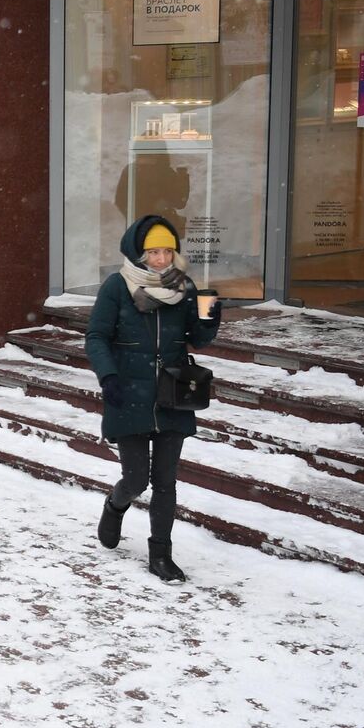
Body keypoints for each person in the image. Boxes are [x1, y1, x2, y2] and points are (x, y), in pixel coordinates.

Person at [85, 215, 221, 584]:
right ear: (138, 253)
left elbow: (199, 339)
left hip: (172, 393)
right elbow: (96, 336)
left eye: (166, 251)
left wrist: (208, 312)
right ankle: (115, 505)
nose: (161, 259)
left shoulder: (185, 287)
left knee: (165, 481)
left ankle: (160, 554)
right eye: (153, 252)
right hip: (128, 392)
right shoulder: (117, 286)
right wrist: (108, 376)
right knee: (136, 479)